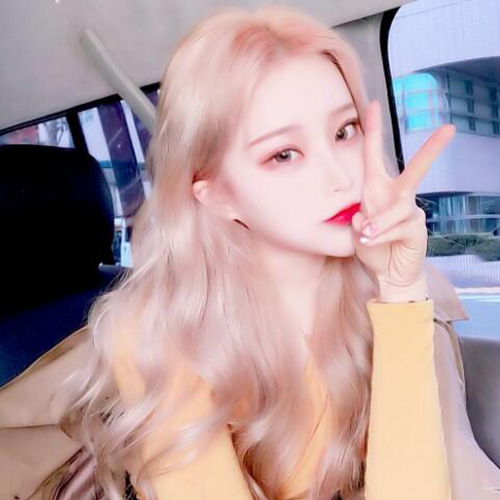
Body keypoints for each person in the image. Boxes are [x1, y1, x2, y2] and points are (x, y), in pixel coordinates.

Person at [43, 5, 500, 500]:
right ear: (217, 195)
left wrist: (401, 293)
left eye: (344, 131)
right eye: (283, 154)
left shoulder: (405, 287)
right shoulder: (158, 334)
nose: (340, 176)